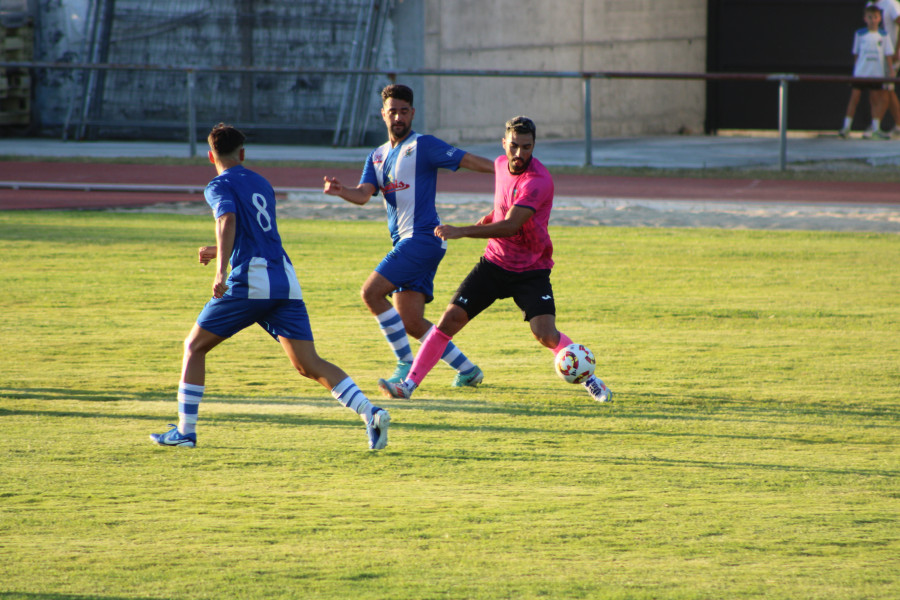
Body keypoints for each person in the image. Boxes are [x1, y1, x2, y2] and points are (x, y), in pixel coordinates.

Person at [150, 123, 390, 450]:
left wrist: (221, 270)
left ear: (210, 156)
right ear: (243, 154)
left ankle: (185, 432)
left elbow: (227, 220)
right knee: (309, 364)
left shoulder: (218, 184)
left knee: (194, 347)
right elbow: (255, 235)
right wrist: (222, 251)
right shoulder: (262, 183)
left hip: (251, 281)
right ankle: (370, 412)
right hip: (284, 278)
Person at [377, 116, 613, 404]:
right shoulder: (501, 166)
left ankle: (590, 379)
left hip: (531, 269)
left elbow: (510, 226)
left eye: (526, 147)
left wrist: (462, 230)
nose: (519, 154)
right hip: (494, 264)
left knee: (545, 333)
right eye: (514, 146)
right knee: (449, 321)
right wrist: (488, 218)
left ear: (534, 146)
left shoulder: (538, 182)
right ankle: (407, 386)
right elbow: (502, 210)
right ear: (504, 144)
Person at [323, 84, 495, 392]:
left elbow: (467, 160)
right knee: (411, 323)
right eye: (393, 112)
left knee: (371, 293)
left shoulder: (424, 146)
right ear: (383, 115)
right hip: (407, 243)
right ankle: (468, 370)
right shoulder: (376, 156)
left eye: (404, 111)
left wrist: (505, 170)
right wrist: (341, 191)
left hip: (423, 240)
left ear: (412, 113)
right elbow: (363, 195)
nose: (398, 117)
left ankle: (404, 366)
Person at [839, 4, 895, 139]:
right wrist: (857, 69)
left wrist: (890, 70)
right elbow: (856, 54)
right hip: (861, 73)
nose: (873, 20)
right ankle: (846, 127)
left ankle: (876, 129)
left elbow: (888, 55)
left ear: (880, 18)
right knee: (854, 99)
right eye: (870, 17)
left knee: (875, 100)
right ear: (865, 18)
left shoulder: (884, 35)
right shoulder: (860, 34)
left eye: (875, 17)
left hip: (876, 73)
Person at [868, 0, 900, 136]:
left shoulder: (891, 4)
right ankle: (899, 126)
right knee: (887, 90)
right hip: (878, 57)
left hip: (892, 57)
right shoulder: (870, 5)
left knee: (886, 90)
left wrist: (897, 50)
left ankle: (875, 128)